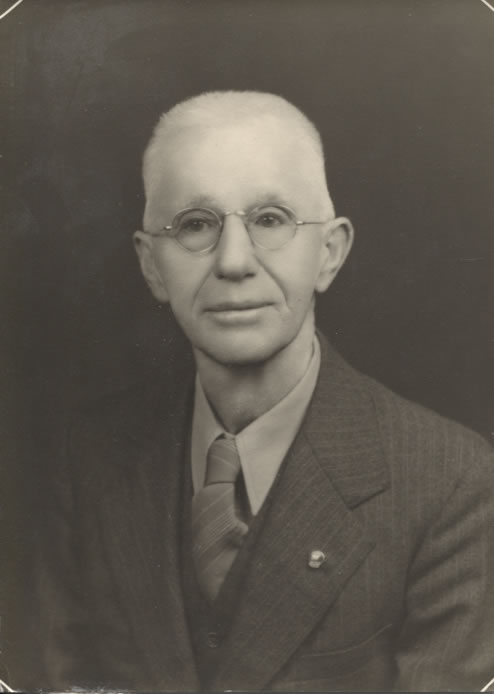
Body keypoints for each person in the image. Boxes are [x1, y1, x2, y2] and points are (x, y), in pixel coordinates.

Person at [31, 91, 494, 692]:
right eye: (196, 224)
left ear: (329, 252)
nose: (233, 261)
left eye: (270, 220)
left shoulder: (451, 483)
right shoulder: (92, 456)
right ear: (151, 266)